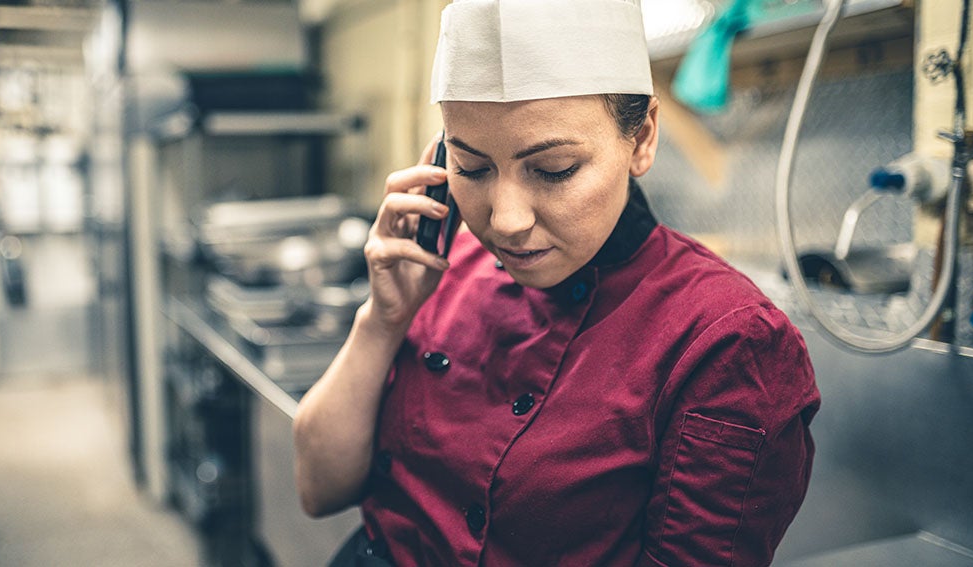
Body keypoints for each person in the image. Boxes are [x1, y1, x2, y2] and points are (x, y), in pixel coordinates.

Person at [293, 0, 820, 565]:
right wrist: (381, 320)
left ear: (640, 139)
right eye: (472, 168)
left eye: (553, 170)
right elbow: (320, 489)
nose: (505, 220)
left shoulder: (727, 341)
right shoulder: (439, 261)